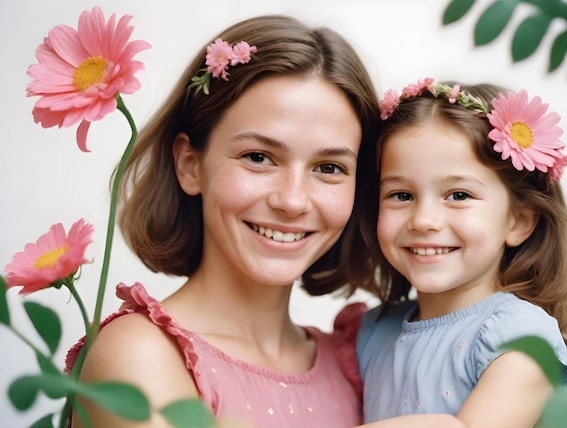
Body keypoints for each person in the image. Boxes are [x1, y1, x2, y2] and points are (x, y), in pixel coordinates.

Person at [64, 14, 381, 428]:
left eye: (329, 167)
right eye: (258, 157)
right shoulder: (138, 353)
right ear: (190, 165)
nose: (292, 200)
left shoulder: (352, 364)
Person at [340, 79, 567, 428]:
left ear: (518, 221)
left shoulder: (521, 336)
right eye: (401, 195)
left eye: (458, 195)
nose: (425, 220)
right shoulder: (372, 332)